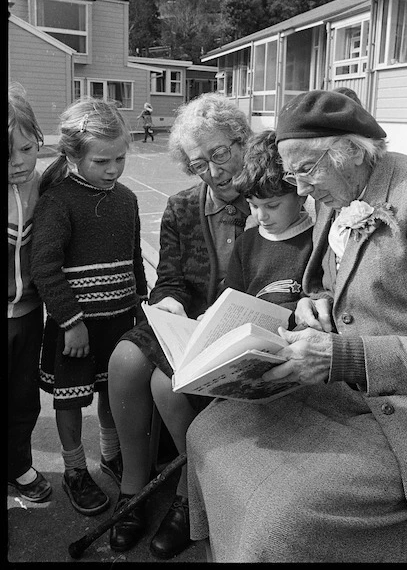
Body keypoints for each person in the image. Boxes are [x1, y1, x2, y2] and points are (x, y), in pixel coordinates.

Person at [185, 89, 407, 563]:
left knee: (280, 513)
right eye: (291, 172)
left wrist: (341, 355)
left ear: (352, 150)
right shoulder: (338, 192)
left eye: (306, 170)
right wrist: (318, 301)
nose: (299, 188)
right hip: (342, 391)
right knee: (209, 430)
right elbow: (341, 285)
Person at [107, 92, 252, 557]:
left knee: (165, 383)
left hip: (241, 324)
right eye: (198, 164)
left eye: (220, 153)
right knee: (126, 358)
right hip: (188, 318)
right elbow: (169, 277)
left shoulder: (274, 198)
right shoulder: (183, 206)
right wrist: (168, 303)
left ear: (241, 139)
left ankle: (190, 497)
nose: (212, 171)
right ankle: (133, 488)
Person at [30, 97, 148, 517]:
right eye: (102, 161)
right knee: (69, 398)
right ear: (73, 155)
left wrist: (141, 305)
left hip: (119, 321)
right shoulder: (58, 201)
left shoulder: (127, 199)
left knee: (112, 392)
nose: (113, 169)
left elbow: (134, 256)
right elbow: (44, 266)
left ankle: (111, 456)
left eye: (120, 158)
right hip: (74, 328)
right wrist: (71, 322)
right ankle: (76, 470)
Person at [8, 84, 52, 504]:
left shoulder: (44, 184)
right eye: (7, 155)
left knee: (23, 396)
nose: (18, 162)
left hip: (28, 314)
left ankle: (17, 463)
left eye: (26, 148)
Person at [224, 128, 315, 314]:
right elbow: (230, 296)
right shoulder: (246, 242)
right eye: (253, 206)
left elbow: (316, 299)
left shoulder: (316, 242)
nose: (261, 216)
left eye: (272, 206)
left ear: (301, 195)